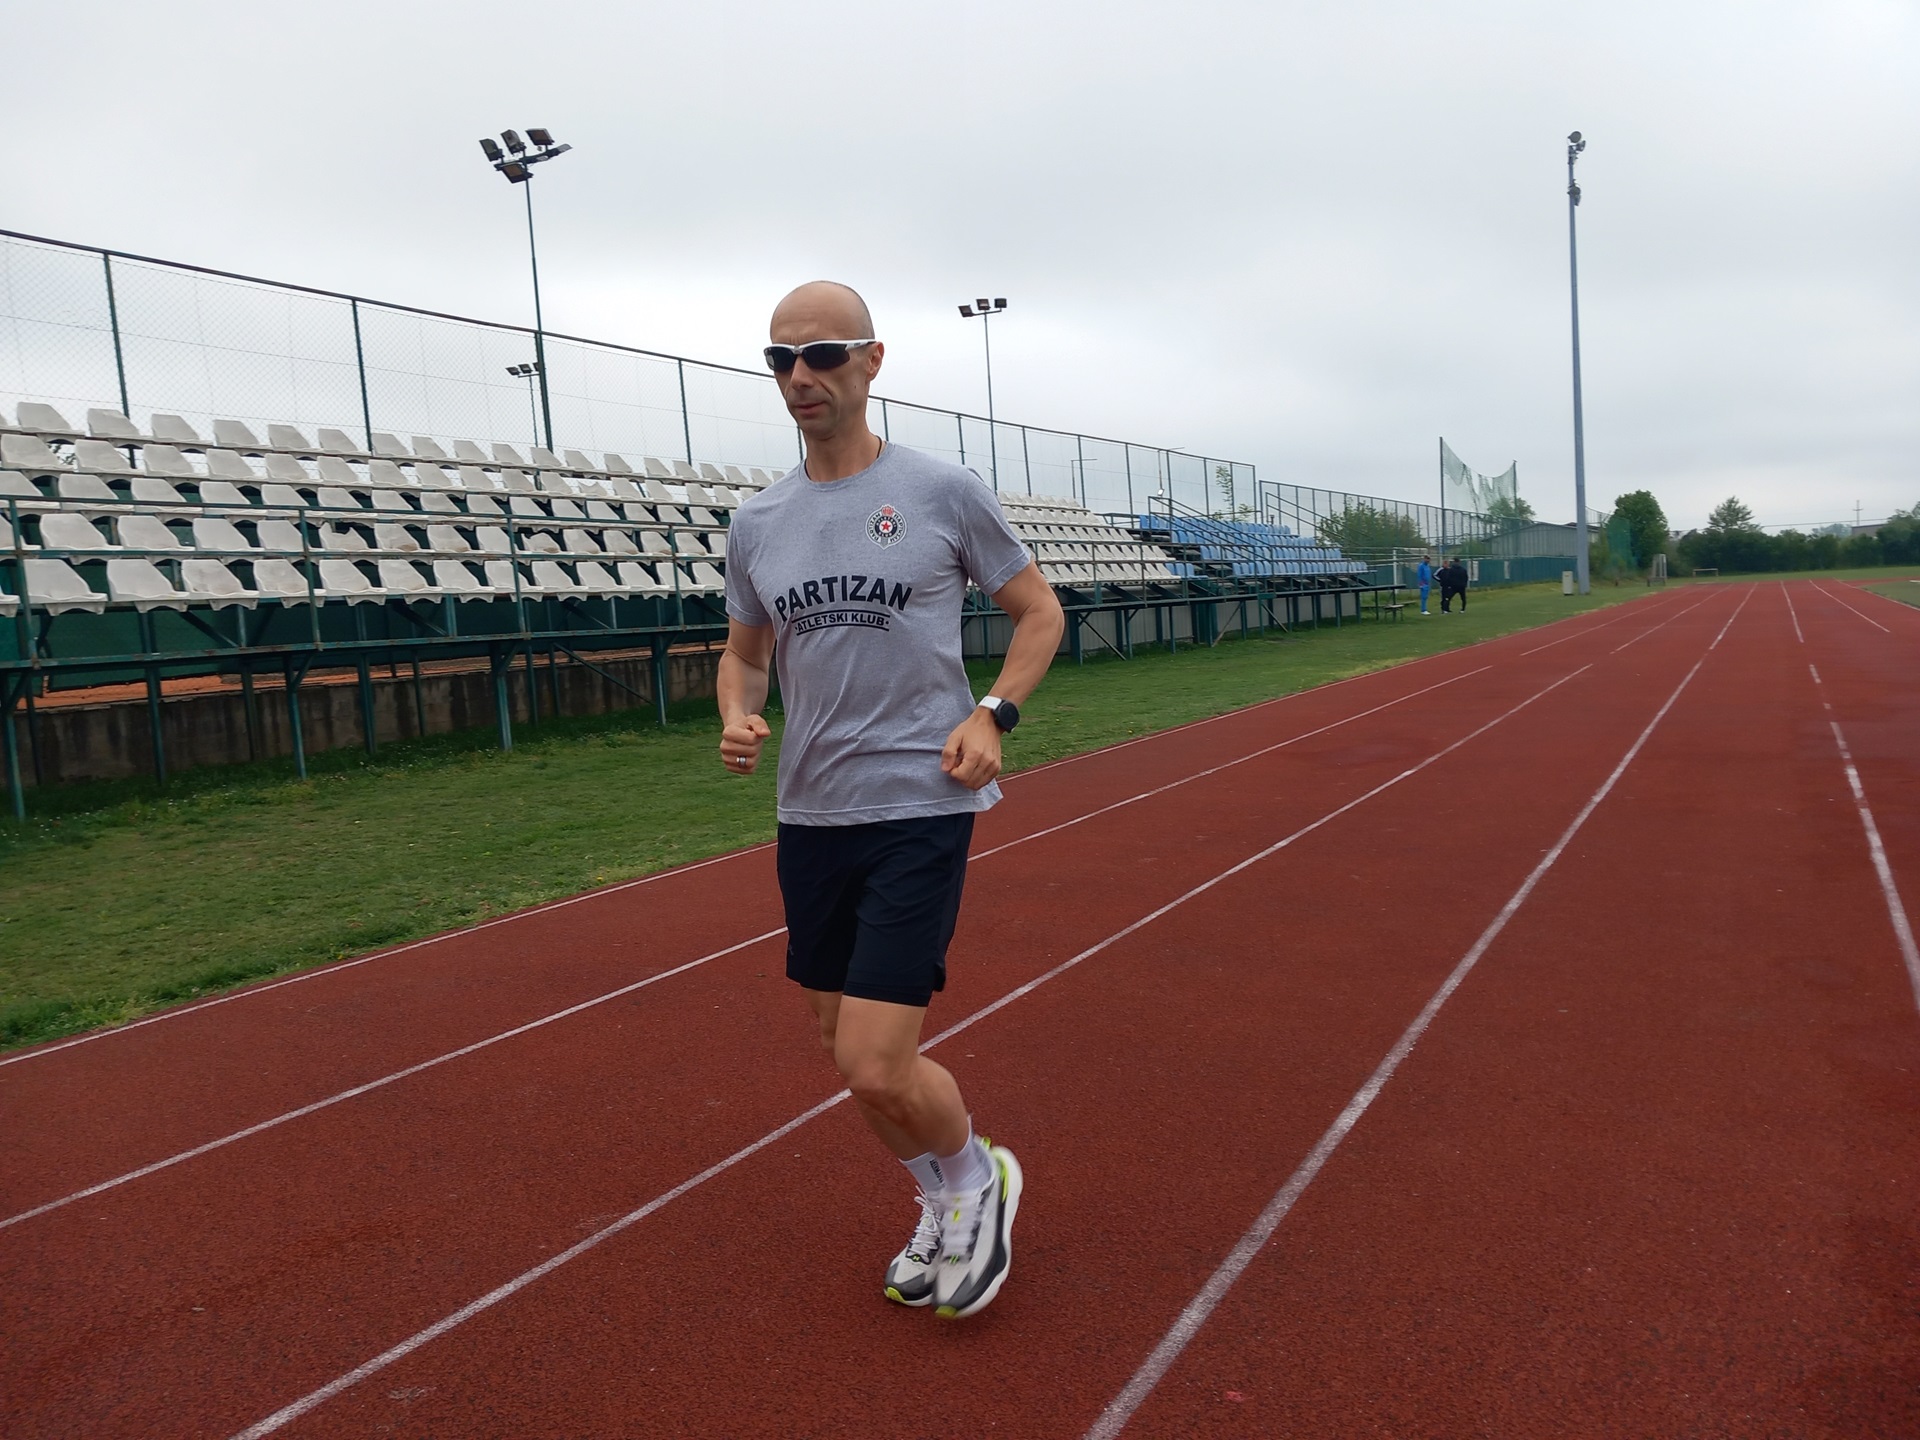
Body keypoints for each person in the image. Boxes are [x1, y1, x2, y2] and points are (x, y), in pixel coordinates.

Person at [716, 281, 1065, 1320]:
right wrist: (736, 713)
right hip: (811, 814)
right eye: (781, 359)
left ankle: (976, 1182)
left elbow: (1039, 613)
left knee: (876, 1061)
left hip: (920, 801)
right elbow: (744, 656)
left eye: (823, 355)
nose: (801, 377)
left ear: (871, 361)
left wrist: (993, 713)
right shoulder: (758, 522)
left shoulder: (941, 491)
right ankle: (940, 1195)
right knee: (843, 1049)